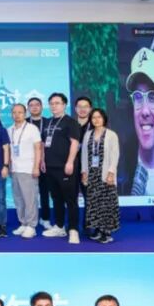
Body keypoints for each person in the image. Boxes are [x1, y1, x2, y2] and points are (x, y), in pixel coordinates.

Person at [40, 93, 82, 243]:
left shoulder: (71, 122)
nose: (54, 106)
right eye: (51, 103)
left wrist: (70, 162)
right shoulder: (48, 122)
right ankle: (59, 226)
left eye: (57, 103)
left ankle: (73, 230)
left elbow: (74, 143)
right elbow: (43, 143)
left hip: (65, 167)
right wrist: (42, 160)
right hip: (50, 167)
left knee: (70, 200)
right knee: (56, 199)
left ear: (64, 105)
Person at [79, 108, 120, 243]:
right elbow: (84, 154)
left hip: (105, 174)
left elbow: (115, 155)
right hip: (92, 174)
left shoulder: (111, 135)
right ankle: (97, 229)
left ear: (104, 119)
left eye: (99, 117)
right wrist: (84, 172)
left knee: (106, 203)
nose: (96, 120)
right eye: (93, 117)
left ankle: (106, 232)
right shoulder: (88, 134)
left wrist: (111, 173)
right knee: (94, 203)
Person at [7, 103, 42, 237]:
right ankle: (23, 223)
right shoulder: (9, 130)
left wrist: (36, 167)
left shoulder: (32, 129)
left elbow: (38, 148)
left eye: (20, 112)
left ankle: (31, 226)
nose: (17, 115)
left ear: (25, 113)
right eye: (14, 112)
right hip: (15, 169)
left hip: (28, 169)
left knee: (30, 199)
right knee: (18, 199)